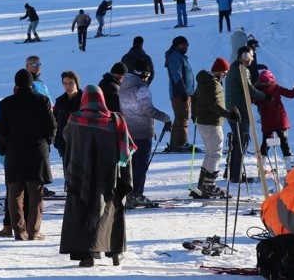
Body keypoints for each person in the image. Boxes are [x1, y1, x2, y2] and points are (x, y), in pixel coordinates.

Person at [59, 85, 135, 268]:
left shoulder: (75, 120)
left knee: (83, 214)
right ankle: (115, 252)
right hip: (110, 179)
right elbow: (128, 148)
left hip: (81, 176)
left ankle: (87, 256)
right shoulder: (116, 120)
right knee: (111, 214)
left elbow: (66, 139)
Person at [0, 69, 57, 241]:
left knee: (15, 193)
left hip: (15, 152)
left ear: (16, 84)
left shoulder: (6, 103)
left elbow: (0, 130)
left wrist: (8, 146)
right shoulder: (42, 100)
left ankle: (19, 231)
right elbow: (52, 126)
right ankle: (33, 231)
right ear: (31, 83)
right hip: (37, 151)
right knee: (36, 193)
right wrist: (46, 142)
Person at [119, 59, 171, 205]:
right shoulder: (142, 88)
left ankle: (129, 194)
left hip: (128, 131)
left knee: (131, 165)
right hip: (142, 132)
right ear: (146, 75)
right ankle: (137, 194)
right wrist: (166, 119)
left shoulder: (124, 85)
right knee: (141, 165)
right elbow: (148, 110)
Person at [190, 57, 240, 199]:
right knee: (215, 154)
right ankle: (209, 186)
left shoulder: (203, 80)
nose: (225, 75)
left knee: (210, 153)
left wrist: (194, 114)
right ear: (219, 71)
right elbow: (215, 105)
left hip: (203, 122)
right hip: (212, 123)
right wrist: (230, 115)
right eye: (224, 72)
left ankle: (202, 185)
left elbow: (194, 99)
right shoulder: (213, 84)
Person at [224, 46, 268, 183]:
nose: (253, 59)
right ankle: (236, 175)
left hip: (233, 108)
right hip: (240, 109)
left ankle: (230, 172)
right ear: (244, 56)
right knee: (242, 140)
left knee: (236, 140)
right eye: (251, 56)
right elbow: (249, 89)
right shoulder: (242, 69)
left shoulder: (235, 67)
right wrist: (265, 96)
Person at [254, 70, 294, 174]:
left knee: (265, 144)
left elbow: (253, 101)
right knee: (284, 143)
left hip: (267, 120)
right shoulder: (275, 88)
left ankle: (261, 168)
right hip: (280, 119)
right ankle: (289, 168)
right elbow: (291, 94)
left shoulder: (257, 91)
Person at [164, 36, 196, 152]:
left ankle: (176, 143)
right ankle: (181, 143)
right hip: (179, 93)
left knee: (180, 117)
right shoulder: (175, 56)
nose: (186, 47)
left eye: (187, 45)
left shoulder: (179, 56)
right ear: (177, 45)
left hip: (182, 92)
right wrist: (182, 91)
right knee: (183, 117)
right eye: (183, 45)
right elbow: (176, 74)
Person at [52, 71, 82, 159]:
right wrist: (57, 143)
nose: (67, 86)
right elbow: (55, 122)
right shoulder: (60, 102)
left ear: (76, 83)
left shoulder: (84, 100)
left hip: (82, 146)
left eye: (70, 83)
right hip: (64, 147)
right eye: (65, 83)